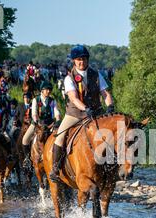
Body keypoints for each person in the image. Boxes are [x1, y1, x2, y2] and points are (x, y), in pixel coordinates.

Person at [48, 45, 114, 182]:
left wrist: (110, 106)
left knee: (112, 134)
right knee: (60, 136)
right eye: (78, 59)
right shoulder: (69, 78)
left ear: (87, 60)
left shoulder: (97, 75)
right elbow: (73, 98)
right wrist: (85, 109)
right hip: (75, 114)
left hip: (96, 113)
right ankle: (55, 168)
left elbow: (105, 93)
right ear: (74, 61)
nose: (81, 62)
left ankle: (116, 167)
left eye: (84, 59)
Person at [22, 81, 61, 168]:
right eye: (47, 89)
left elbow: (56, 112)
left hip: (50, 125)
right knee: (25, 140)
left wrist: (58, 120)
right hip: (37, 124)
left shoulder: (52, 101)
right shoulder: (36, 100)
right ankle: (27, 159)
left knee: (59, 138)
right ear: (42, 90)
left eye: (50, 90)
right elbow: (34, 114)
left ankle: (58, 160)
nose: (49, 91)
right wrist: (38, 123)